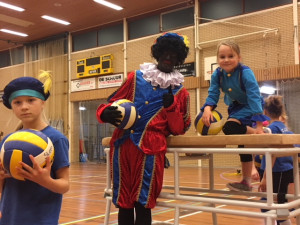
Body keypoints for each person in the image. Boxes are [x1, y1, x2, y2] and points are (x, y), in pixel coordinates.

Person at [96, 32, 191, 225]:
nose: (169, 57)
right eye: (165, 52)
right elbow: (113, 102)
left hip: (151, 149)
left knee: (144, 201)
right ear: (158, 53)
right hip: (123, 145)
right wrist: (104, 113)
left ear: (179, 59)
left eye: (174, 54)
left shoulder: (181, 91)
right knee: (123, 200)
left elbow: (179, 128)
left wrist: (171, 107)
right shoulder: (135, 77)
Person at [0, 72, 70, 225]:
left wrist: (45, 180)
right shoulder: (7, 142)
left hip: (41, 219)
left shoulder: (56, 139)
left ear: (43, 102)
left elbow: (65, 185)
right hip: (9, 218)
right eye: (17, 102)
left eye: (31, 100)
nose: (24, 107)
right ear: (11, 106)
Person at [201, 39, 269, 192]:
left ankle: (262, 137)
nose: (226, 60)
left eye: (231, 56)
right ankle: (246, 182)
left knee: (230, 127)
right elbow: (213, 93)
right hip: (236, 108)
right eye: (222, 57)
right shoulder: (217, 74)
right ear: (218, 59)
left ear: (239, 57)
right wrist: (207, 109)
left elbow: (254, 96)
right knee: (242, 143)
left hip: (252, 105)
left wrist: (259, 127)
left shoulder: (245, 72)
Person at [259, 95, 294, 225]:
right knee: (276, 203)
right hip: (284, 170)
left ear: (265, 112)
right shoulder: (285, 128)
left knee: (272, 205)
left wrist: (265, 177)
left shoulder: (271, 129)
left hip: (276, 172)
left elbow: (272, 154)